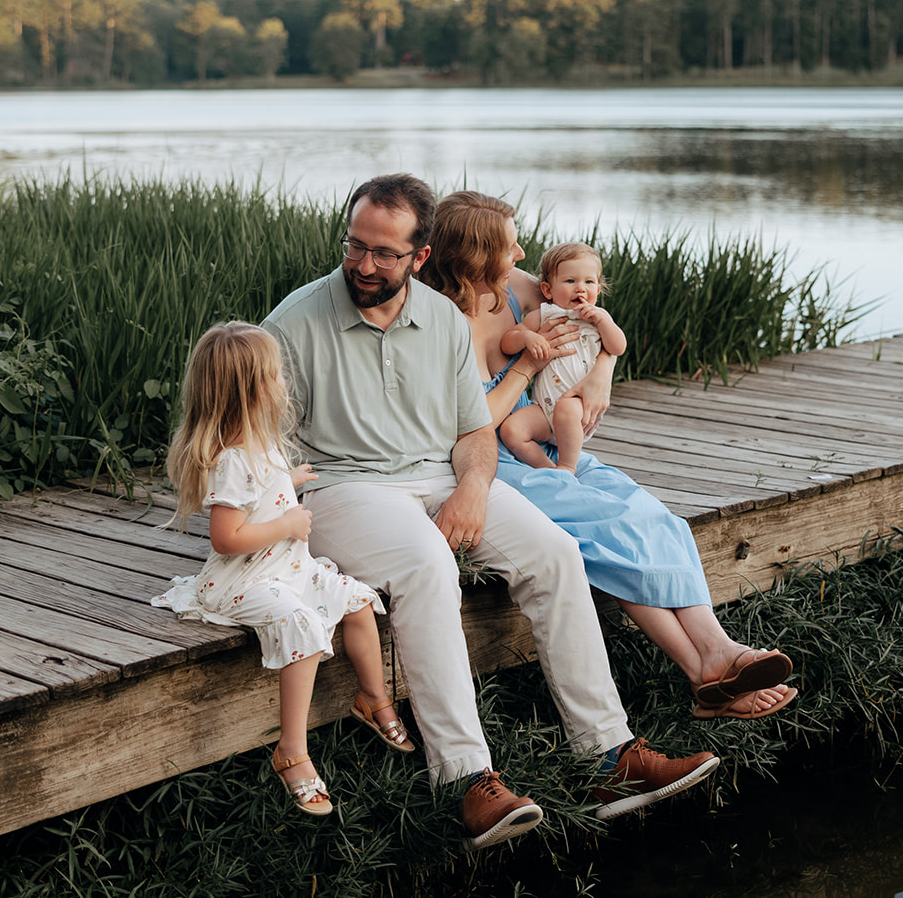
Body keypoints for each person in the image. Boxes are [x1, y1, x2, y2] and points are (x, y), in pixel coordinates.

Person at [263, 173, 722, 849]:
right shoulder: (294, 322)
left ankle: (608, 754)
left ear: (421, 256)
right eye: (354, 246)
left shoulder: (442, 319)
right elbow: (258, 434)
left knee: (557, 552)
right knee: (425, 561)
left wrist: (474, 488)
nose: (363, 264)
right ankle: (467, 777)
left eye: (385, 253)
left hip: (439, 474)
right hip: (343, 487)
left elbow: (476, 430)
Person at [419, 191, 799, 723]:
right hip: (492, 461)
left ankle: (717, 651)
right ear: (477, 256)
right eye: (510, 245)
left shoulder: (511, 289)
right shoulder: (436, 323)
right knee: (608, 530)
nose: (523, 253)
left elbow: (592, 317)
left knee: (651, 514)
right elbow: (471, 422)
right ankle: (708, 670)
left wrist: (600, 376)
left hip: (543, 442)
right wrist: (527, 370)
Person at [150, 322, 416, 819]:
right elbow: (226, 538)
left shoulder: (263, 443)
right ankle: (291, 750)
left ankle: (372, 697)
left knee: (355, 598)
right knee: (304, 622)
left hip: (285, 566)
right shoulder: (230, 460)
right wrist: (289, 520)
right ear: (251, 389)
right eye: (275, 375)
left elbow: (263, 487)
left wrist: (284, 481)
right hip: (243, 580)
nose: (283, 384)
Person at [499, 241, 627, 472]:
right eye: (570, 281)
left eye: (589, 282)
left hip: (577, 409)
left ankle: (567, 466)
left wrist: (603, 321)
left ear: (598, 289)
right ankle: (546, 467)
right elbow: (509, 342)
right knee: (511, 430)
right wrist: (528, 337)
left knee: (566, 408)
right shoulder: (544, 315)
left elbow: (618, 348)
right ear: (548, 290)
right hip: (542, 410)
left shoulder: (599, 319)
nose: (580, 288)